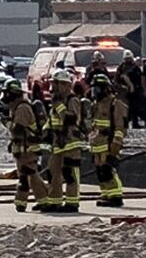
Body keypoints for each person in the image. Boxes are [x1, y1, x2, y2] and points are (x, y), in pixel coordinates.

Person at [41, 73, 85, 211]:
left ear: (66, 85)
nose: (54, 87)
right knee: (53, 172)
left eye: (57, 84)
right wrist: (46, 130)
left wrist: (59, 106)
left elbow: (72, 119)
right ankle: (55, 201)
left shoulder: (72, 100)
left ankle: (72, 203)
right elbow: (52, 120)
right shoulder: (56, 100)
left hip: (71, 142)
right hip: (57, 143)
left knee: (70, 173)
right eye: (53, 83)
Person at [87, 70, 130, 208]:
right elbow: (93, 125)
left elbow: (120, 127)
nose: (95, 92)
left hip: (108, 144)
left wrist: (116, 145)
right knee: (100, 172)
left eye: (97, 89)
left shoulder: (115, 104)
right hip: (97, 145)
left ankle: (116, 196)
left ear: (106, 88)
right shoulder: (96, 105)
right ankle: (106, 194)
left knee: (108, 170)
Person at [1, 79, 43, 212]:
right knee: (28, 176)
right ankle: (38, 200)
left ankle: (24, 202)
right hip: (22, 149)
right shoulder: (17, 108)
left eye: (7, 94)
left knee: (28, 175)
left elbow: (18, 130)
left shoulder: (22, 108)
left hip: (28, 149)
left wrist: (6, 123)